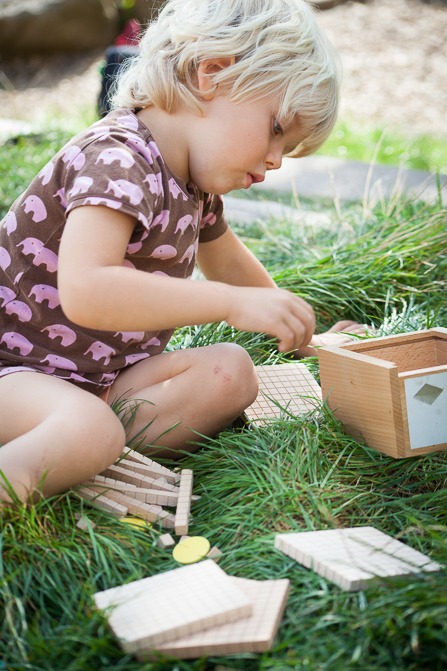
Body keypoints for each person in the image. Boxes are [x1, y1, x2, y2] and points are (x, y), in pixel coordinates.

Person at [0, 0, 362, 506]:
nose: (276, 160)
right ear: (211, 74)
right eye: (277, 129)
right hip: (15, 372)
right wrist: (228, 305)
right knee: (91, 430)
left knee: (231, 374)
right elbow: (87, 292)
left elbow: (231, 266)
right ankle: (78, 449)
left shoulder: (195, 187)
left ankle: (72, 457)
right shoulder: (117, 157)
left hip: (98, 384)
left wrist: (312, 341)